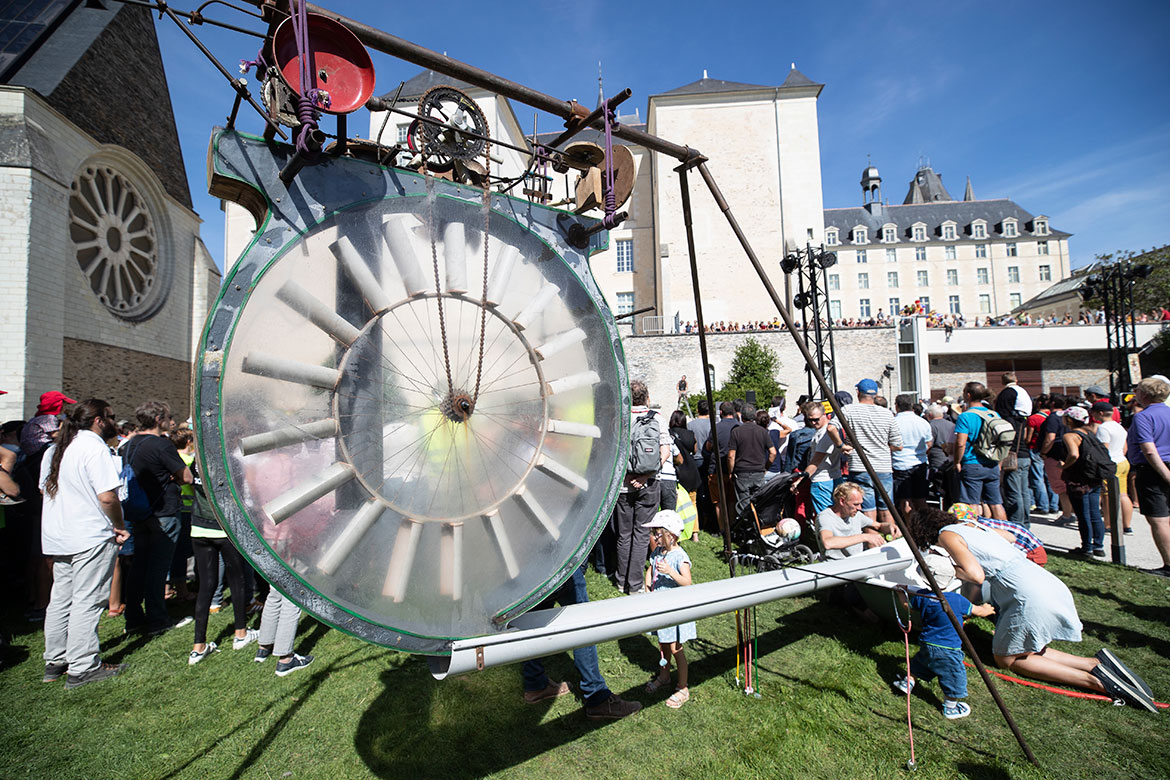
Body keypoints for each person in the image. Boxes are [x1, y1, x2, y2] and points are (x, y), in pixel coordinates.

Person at [905, 507, 1156, 712]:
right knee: (1026, 649)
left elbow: (975, 575)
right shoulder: (972, 526)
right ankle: (1094, 663)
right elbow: (1010, 538)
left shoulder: (946, 535)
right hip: (1044, 581)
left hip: (1026, 594)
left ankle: (1099, 682)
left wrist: (947, 569)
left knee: (1006, 660)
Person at [38, 399, 130, 688]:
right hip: (89, 534)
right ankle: (82, 666)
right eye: (111, 416)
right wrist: (119, 525)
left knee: (61, 599)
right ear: (99, 420)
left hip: (59, 534)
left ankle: (56, 660)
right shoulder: (93, 448)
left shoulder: (56, 449)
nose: (114, 422)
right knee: (86, 601)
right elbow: (108, 497)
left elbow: (44, 491)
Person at [521, 563, 642, 719]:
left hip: (528, 569)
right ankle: (597, 697)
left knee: (535, 620)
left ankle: (535, 683)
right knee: (583, 626)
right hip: (558, 561)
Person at [122, 400, 193, 635]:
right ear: (157, 419)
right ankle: (157, 619)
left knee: (139, 566)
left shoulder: (129, 445)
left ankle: (133, 618)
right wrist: (175, 477)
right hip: (163, 512)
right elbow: (186, 477)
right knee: (158, 568)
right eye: (168, 417)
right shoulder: (161, 446)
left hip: (139, 511)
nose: (170, 421)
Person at [187, 458, 258, 665]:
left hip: (199, 527)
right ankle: (241, 633)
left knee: (206, 586)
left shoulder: (196, 460)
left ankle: (198, 646)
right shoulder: (229, 460)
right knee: (236, 580)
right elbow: (239, 493)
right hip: (225, 526)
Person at [893, 585, 995, 720]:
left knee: (922, 662)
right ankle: (951, 708)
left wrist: (900, 593)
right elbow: (979, 612)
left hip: (927, 642)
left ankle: (908, 682)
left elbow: (908, 606)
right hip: (948, 649)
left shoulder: (924, 596)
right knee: (953, 676)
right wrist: (987, 609)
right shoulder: (956, 599)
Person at [611, 380, 669, 595]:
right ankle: (635, 585)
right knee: (642, 534)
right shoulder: (657, 420)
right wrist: (646, 475)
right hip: (650, 483)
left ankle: (620, 580)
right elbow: (665, 452)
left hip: (623, 485)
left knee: (624, 534)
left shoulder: (620, 419)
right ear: (647, 397)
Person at [642, 510, 694, 709]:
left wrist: (671, 572)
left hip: (675, 610)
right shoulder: (658, 552)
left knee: (675, 648)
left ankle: (683, 687)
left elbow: (687, 582)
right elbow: (651, 568)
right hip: (660, 607)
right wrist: (647, 587)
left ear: (670, 536)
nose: (654, 537)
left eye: (657, 533)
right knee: (663, 644)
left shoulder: (679, 557)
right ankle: (664, 677)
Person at [842, 379, 903, 526]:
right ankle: (890, 542)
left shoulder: (849, 410)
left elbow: (832, 428)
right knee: (887, 508)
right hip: (883, 466)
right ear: (875, 395)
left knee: (867, 510)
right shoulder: (887, 414)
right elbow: (898, 444)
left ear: (858, 393)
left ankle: (871, 544)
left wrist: (841, 445)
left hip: (860, 466)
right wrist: (882, 448)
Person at [1126, 376, 1170, 577]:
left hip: (1154, 470)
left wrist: (1165, 475)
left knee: (1159, 519)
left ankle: (1169, 565)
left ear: (1143, 394)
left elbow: (1149, 449)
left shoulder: (1143, 417)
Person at [953, 382, 1008, 522]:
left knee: (972, 503)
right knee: (996, 503)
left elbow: (960, 443)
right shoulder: (993, 414)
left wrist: (957, 462)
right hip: (992, 463)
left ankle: (975, 533)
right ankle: (1005, 532)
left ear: (968, 395)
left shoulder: (965, 416)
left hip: (972, 463)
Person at [1061, 406, 1111, 557]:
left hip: (1079, 479)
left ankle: (1086, 548)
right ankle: (1098, 546)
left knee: (1083, 514)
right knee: (1095, 512)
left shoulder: (1070, 436)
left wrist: (1064, 466)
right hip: (1094, 477)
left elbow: (1074, 455)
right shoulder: (1089, 433)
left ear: (1069, 419)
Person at [815, 481, 899, 560]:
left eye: (860, 504)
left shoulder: (855, 515)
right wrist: (865, 537)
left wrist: (890, 527)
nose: (860, 508)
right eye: (856, 504)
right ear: (842, 501)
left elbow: (878, 526)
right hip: (836, 566)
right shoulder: (825, 517)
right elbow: (828, 543)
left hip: (858, 562)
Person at [994, 372, 1033, 527]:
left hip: (1013, 455)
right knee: (1024, 491)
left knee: (1014, 492)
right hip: (1024, 454)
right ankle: (1026, 522)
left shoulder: (1007, 397)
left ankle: (1017, 523)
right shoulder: (1022, 420)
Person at [727, 407, 775, 520]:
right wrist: (765, 467)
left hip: (742, 472)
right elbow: (773, 453)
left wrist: (730, 472)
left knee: (744, 506)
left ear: (741, 417)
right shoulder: (763, 431)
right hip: (758, 472)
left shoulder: (736, 432)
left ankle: (747, 529)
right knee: (758, 503)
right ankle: (759, 527)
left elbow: (731, 456)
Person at [1092, 400, 1132, 536]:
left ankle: (1108, 524)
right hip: (1122, 460)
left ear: (1100, 413)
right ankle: (1127, 525)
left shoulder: (1103, 428)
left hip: (1110, 464)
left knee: (1107, 496)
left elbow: (1104, 449)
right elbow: (1125, 447)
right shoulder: (1118, 427)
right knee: (1123, 494)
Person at [801, 403, 847, 514]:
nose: (813, 422)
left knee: (825, 516)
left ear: (825, 415)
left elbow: (816, 461)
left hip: (822, 480)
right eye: (810, 420)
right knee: (836, 514)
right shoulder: (823, 431)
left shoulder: (825, 433)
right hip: (833, 477)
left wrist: (800, 480)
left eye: (816, 419)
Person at [1038, 394, 1076, 524]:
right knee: (1070, 485)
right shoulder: (1067, 416)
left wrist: (1043, 452)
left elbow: (1050, 437)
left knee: (1061, 487)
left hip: (1055, 456)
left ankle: (1066, 514)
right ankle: (1072, 512)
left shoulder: (1053, 418)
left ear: (1053, 403)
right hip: (1069, 453)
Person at [892, 394, 932, 515]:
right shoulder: (922, 422)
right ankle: (925, 527)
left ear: (897, 406)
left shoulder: (894, 422)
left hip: (900, 463)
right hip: (920, 463)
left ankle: (910, 529)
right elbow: (929, 443)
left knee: (905, 501)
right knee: (920, 499)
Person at [1026, 395, 1059, 515]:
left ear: (1039, 403)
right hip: (1050, 450)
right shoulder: (1054, 417)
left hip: (1034, 449)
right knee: (1050, 477)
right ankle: (1054, 504)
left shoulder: (1033, 418)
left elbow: (1028, 438)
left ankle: (1042, 505)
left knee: (1037, 478)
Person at [926, 403, 957, 508]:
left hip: (937, 462)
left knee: (939, 489)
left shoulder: (930, 426)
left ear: (930, 414)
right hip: (951, 461)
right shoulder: (952, 425)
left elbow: (928, 445)